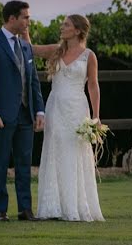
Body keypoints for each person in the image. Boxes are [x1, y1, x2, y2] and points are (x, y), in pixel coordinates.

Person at [27, 14, 104, 221]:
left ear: (78, 30)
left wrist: (96, 117)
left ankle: (75, 206)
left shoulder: (89, 56)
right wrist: (25, 27)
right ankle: (53, 207)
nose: (62, 27)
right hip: (56, 107)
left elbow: (93, 85)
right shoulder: (56, 50)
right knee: (55, 149)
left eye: (66, 24)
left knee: (75, 152)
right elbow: (30, 48)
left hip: (78, 108)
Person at [0, 0, 45, 222]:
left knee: (24, 163)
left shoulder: (25, 46)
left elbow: (33, 80)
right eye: (25, 17)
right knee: (0, 162)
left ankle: (25, 210)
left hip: (26, 114)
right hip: (2, 116)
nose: (28, 21)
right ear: (12, 18)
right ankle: (0, 210)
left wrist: (40, 111)